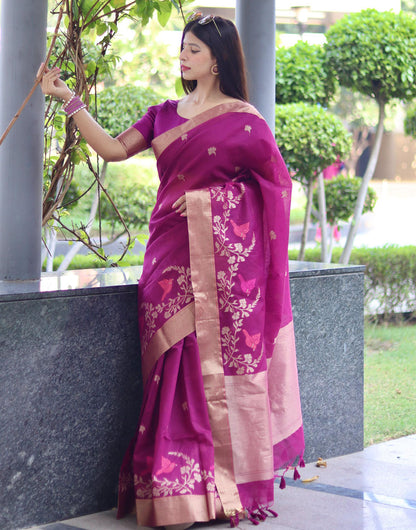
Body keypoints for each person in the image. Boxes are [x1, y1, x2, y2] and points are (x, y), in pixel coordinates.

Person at [39, 13, 304, 529]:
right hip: (168, 255)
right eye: (182, 48)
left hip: (222, 263)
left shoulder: (245, 120)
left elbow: (274, 188)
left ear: (218, 59)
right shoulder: (162, 114)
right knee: (170, 366)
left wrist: (212, 201)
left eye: (194, 50)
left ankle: (207, 488)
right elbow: (114, 150)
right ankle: (172, 488)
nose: (183, 57)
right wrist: (67, 98)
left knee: (201, 365)